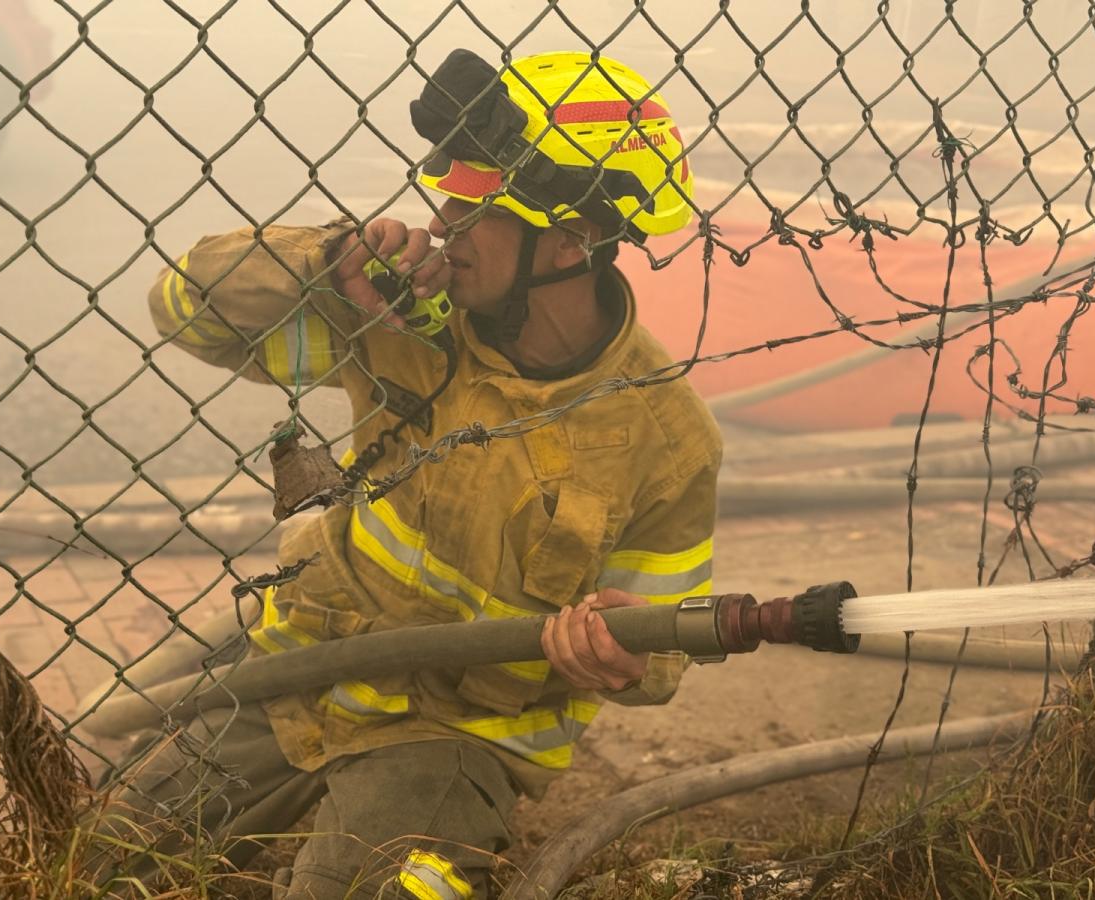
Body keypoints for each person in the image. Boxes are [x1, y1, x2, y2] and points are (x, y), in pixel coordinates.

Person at [123, 48, 722, 899]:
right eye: (450, 198)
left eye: (477, 209)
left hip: (456, 738)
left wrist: (625, 652)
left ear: (574, 238)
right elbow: (185, 309)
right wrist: (327, 264)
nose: (442, 224)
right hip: (300, 680)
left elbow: (661, 654)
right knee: (97, 851)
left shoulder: (664, 438)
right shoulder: (405, 319)